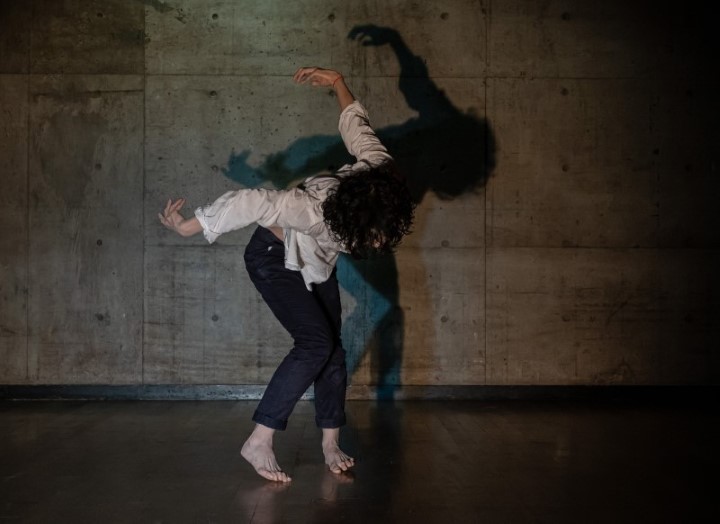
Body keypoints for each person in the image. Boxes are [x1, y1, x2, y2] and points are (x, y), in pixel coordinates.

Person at [158, 67, 415, 482]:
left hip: (315, 265)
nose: (379, 242)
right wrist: (191, 226)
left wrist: (337, 82)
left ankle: (330, 442)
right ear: (353, 220)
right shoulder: (314, 211)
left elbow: (357, 127)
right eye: (373, 235)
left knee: (333, 352)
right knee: (315, 343)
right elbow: (256, 202)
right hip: (273, 258)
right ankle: (258, 440)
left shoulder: (380, 170)